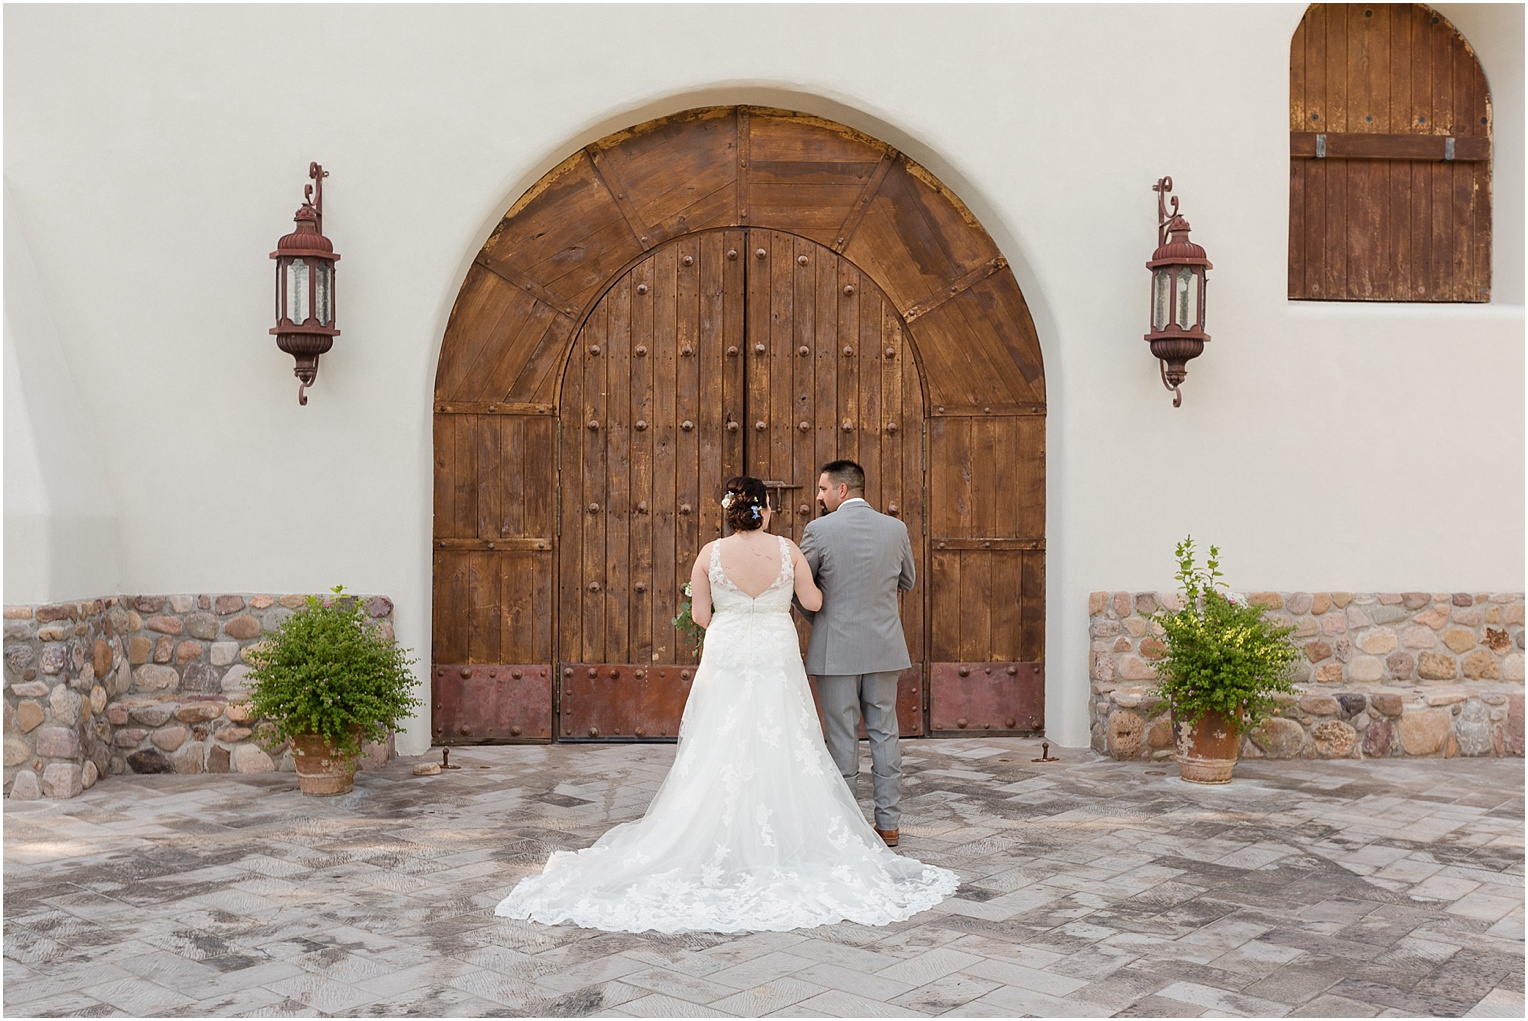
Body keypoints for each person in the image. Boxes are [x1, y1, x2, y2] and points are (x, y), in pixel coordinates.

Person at [495, 475, 956, 933]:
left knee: (721, 738)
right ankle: (837, 827)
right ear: (767, 508)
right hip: (775, 651)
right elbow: (812, 598)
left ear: (730, 510)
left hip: (729, 653)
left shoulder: (709, 554)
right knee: (788, 736)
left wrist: (734, 608)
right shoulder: (788, 550)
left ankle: (714, 833)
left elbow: (700, 615)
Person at [796, 460, 916, 846]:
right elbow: (908, 580)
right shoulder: (895, 529)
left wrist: (821, 617)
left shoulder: (818, 530)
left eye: (822, 489)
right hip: (884, 646)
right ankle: (889, 825)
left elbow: (801, 588)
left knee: (842, 738)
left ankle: (846, 829)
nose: (818, 496)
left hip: (836, 651)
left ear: (842, 490)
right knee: (885, 735)